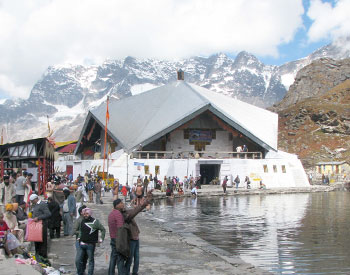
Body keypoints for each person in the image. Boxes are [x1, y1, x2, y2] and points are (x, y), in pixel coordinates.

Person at [108, 192, 152, 275]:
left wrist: (144, 202)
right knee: (128, 258)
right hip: (129, 238)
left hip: (133, 237)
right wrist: (143, 204)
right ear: (117, 205)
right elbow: (133, 213)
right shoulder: (121, 215)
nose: (123, 204)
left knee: (135, 257)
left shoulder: (122, 212)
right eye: (121, 203)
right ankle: (125, 272)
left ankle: (133, 272)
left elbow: (133, 211)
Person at [76, 208, 105, 275]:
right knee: (78, 260)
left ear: (90, 214)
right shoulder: (82, 221)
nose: (85, 215)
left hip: (90, 245)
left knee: (90, 261)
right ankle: (80, 272)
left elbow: (103, 229)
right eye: (84, 214)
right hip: (81, 244)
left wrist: (101, 238)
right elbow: (80, 230)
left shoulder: (95, 222)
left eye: (87, 214)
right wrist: (79, 237)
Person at [30, 194, 51, 259]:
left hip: (42, 225)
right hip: (36, 226)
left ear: (36, 199)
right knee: (37, 240)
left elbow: (48, 214)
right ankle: (38, 255)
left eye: (32, 201)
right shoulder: (35, 205)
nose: (32, 202)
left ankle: (43, 256)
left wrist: (38, 218)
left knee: (42, 241)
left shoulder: (42, 204)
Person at [73, 205, 87, 274]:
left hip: (88, 242)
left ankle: (82, 270)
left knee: (85, 258)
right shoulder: (79, 220)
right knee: (78, 259)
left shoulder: (89, 219)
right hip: (80, 242)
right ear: (81, 212)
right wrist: (82, 232)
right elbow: (74, 231)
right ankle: (79, 272)